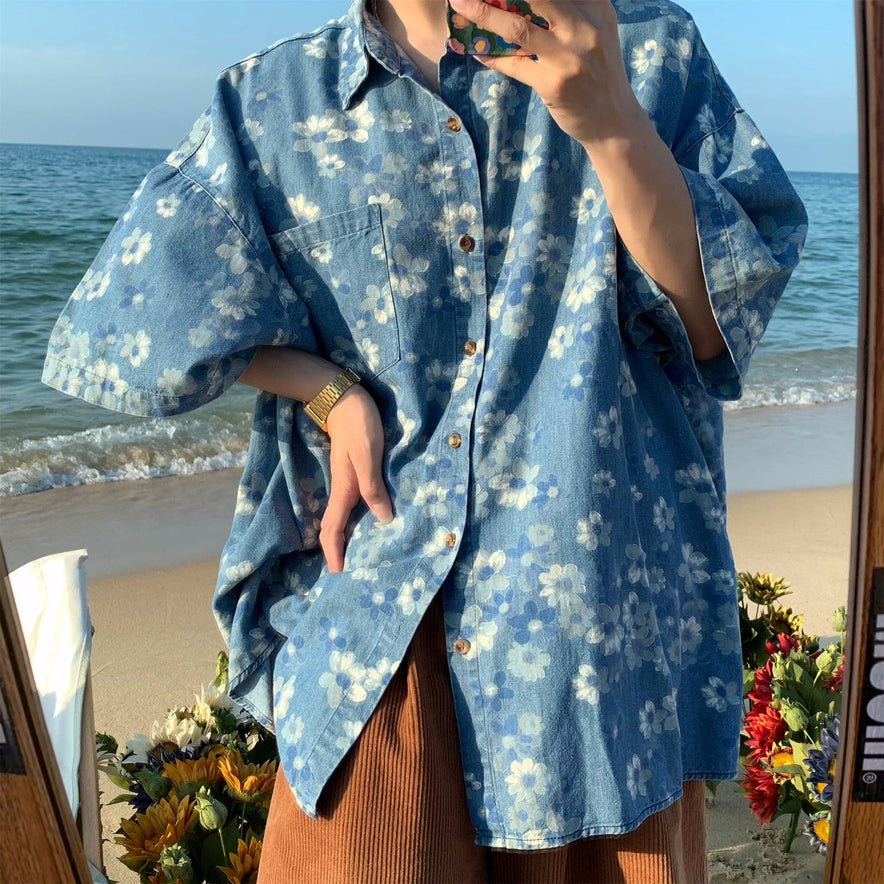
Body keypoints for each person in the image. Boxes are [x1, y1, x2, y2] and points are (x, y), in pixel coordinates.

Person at [42, 0, 807, 880]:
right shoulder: (279, 97)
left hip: (604, 642)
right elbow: (124, 321)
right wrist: (326, 389)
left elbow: (720, 324)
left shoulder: (643, 46)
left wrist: (612, 124)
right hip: (380, 618)